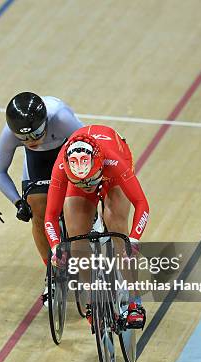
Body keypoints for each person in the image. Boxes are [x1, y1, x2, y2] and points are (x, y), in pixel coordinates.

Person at [44, 125, 150, 328]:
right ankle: (93, 298)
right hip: (85, 174)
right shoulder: (62, 166)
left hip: (111, 175)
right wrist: (56, 246)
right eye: (82, 182)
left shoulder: (113, 161)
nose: (88, 187)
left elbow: (142, 204)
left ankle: (134, 301)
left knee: (118, 229)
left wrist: (134, 239)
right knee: (76, 241)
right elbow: (49, 215)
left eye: (90, 181)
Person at [0, 92, 83, 303]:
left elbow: (90, 144)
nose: (30, 141)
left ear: (46, 123)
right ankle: (53, 274)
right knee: (38, 212)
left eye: (35, 134)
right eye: (23, 138)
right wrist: (18, 201)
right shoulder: (9, 133)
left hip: (67, 153)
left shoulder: (61, 119)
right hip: (37, 163)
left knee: (77, 207)